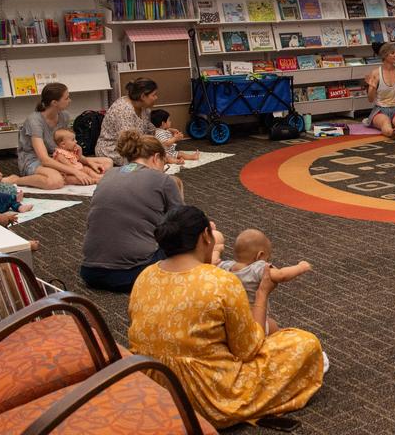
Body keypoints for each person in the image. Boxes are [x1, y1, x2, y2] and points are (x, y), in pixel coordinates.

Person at [128, 206, 325, 429]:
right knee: (304, 343)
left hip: (153, 388)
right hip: (207, 397)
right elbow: (248, 349)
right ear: (205, 236)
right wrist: (262, 294)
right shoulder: (220, 281)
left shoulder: (146, 275)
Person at [79, 132, 184, 292]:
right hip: (133, 273)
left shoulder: (109, 175)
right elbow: (183, 225)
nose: (164, 170)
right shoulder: (163, 180)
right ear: (156, 158)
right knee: (201, 243)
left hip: (90, 273)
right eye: (165, 165)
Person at [14, 83, 111, 190]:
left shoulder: (64, 116)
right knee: (55, 181)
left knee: (107, 162)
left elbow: (65, 147)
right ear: (54, 103)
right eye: (66, 98)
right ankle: (16, 180)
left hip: (60, 157)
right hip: (35, 161)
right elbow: (44, 160)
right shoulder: (34, 121)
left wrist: (86, 161)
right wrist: (75, 171)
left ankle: (69, 177)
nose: (70, 100)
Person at [217, 229, 312, 333]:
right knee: (274, 327)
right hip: (256, 318)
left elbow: (212, 262)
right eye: (268, 258)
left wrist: (216, 250)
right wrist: (300, 267)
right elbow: (281, 275)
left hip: (232, 318)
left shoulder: (225, 266)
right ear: (260, 256)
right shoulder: (257, 268)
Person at [95, 77, 159, 164]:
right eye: (154, 95)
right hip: (113, 151)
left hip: (134, 146)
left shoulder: (143, 107)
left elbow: (148, 128)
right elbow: (128, 143)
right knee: (151, 161)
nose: (156, 97)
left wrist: (163, 131)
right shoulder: (123, 110)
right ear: (143, 96)